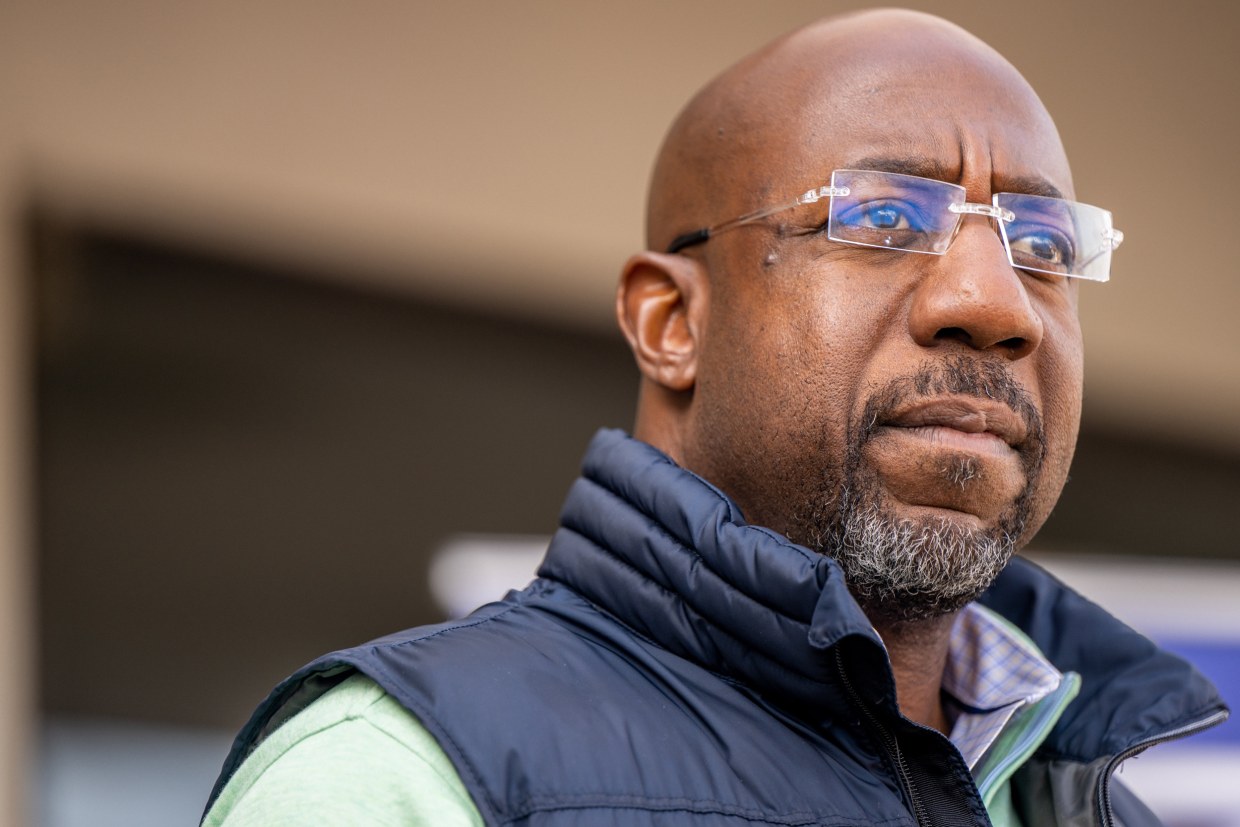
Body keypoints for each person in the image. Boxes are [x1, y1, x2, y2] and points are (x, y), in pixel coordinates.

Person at [202, 9, 1226, 826]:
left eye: (1041, 243)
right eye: (880, 218)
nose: (994, 304)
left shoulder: (1102, 803)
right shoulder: (407, 779)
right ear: (671, 321)